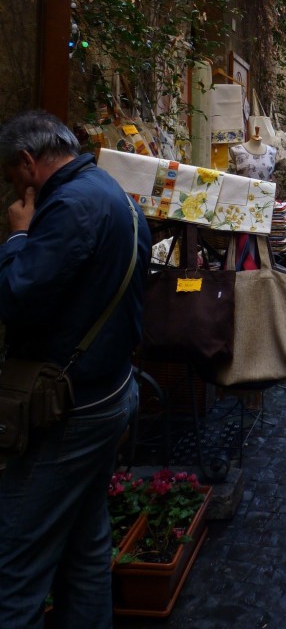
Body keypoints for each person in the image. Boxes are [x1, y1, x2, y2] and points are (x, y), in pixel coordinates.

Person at [0, 110, 151, 628]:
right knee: (86, 548)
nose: (15, 191)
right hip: (109, 391)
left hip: (72, 408)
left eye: (12, 178)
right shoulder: (110, 191)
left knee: (16, 563)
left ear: (27, 161)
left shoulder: (68, 207)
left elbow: (18, 299)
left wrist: (18, 237)